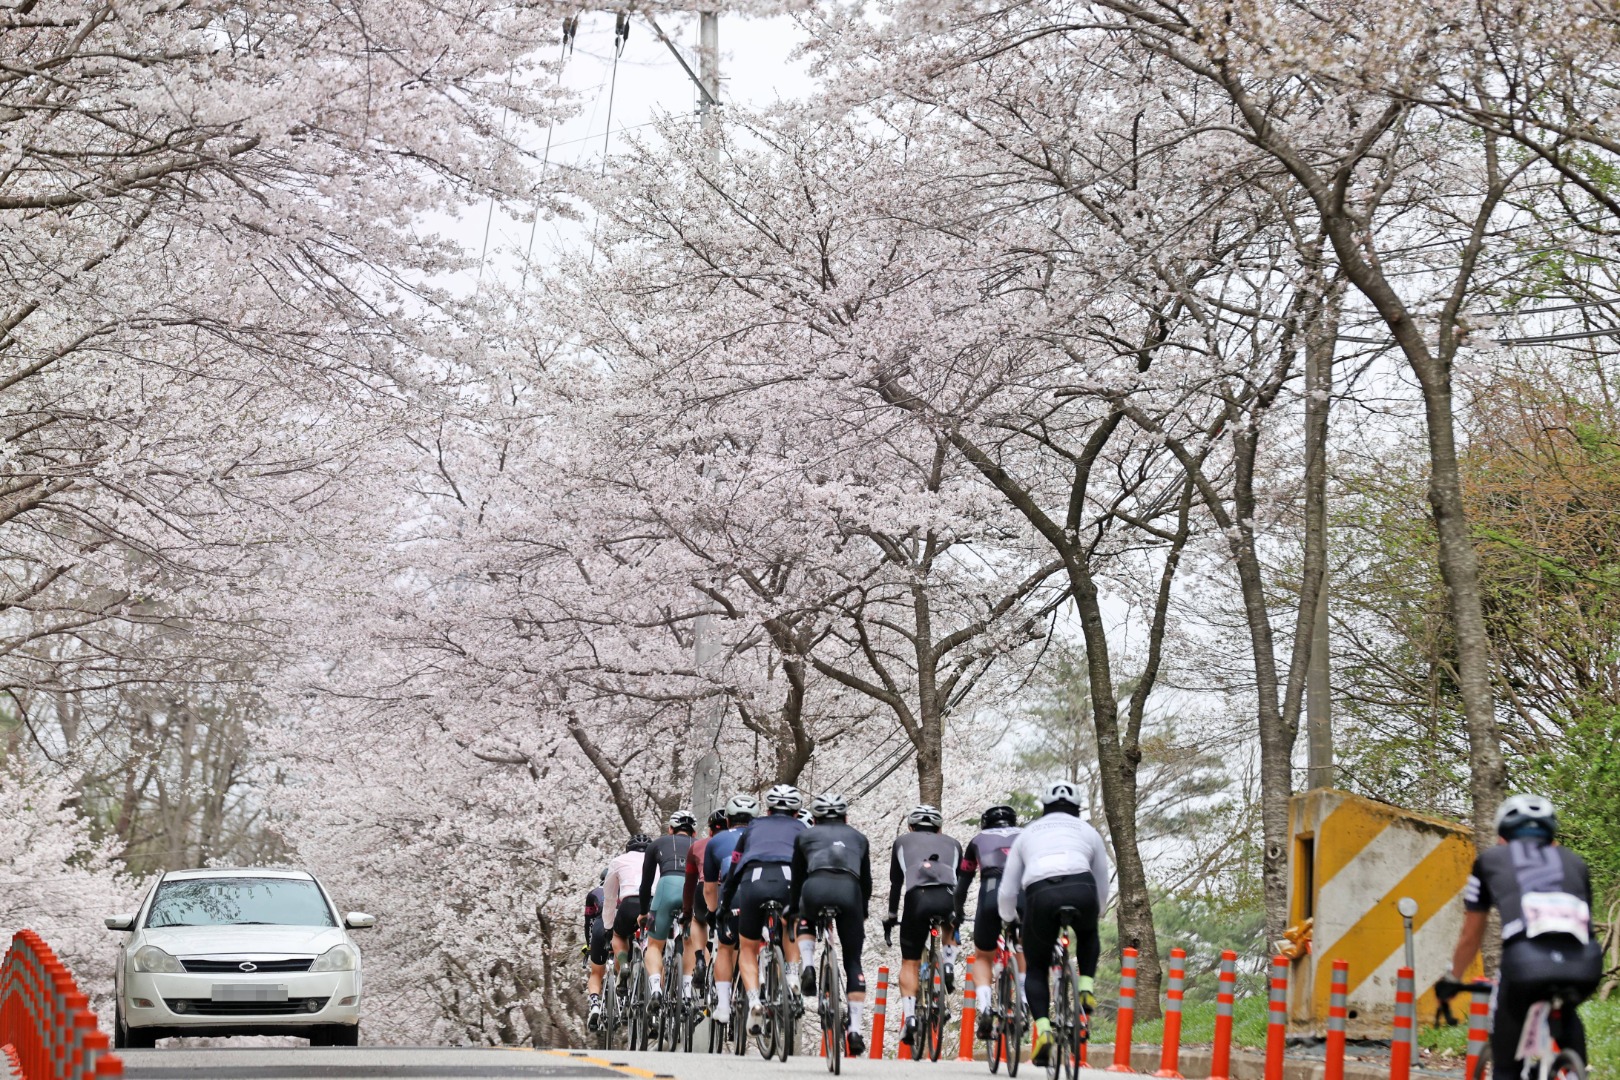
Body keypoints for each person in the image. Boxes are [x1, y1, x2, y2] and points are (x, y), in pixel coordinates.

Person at [1438, 795, 1602, 1079]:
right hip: (1585, 963)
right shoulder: (1575, 862)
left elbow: (1471, 934)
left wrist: (1453, 979)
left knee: (1506, 1066)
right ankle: (1575, 1071)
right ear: (1551, 833)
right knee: (1567, 1007)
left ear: (1503, 833)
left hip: (1526, 962)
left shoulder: (1490, 860)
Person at [999, 782, 1110, 1067]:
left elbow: (1008, 889)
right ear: (1077, 809)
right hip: (1081, 886)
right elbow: (1101, 878)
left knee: (1036, 967)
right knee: (1087, 935)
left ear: (1045, 807)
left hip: (1041, 893)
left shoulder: (1027, 834)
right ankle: (1085, 986)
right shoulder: (1088, 831)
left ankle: (1044, 1031)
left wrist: (1009, 918)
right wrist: (1095, 913)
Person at [791, 792, 873, 1057]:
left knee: (804, 916)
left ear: (814, 819)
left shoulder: (804, 836)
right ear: (846, 817)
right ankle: (856, 1030)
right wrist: (863, 910)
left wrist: (794, 908)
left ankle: (809, 965)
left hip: (815, 888)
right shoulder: (859, 838)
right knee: (853, 961)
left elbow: (798, 876)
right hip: (850, 893)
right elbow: (866, 882)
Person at [720, 783, 807, 1035]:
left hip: (754, 879)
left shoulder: (754, 827)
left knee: (747, 947)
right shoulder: (802, 828)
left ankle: (755, 1000)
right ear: (796, 813)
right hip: (789, 879)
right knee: (790, 924)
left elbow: (735, 866)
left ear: (767, 811)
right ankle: (791, 974)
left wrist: (725, 903)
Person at [882, 803, 962, 1050]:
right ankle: (947, 966)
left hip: (917, 899)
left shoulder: (902, 842)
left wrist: (892, 915)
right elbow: (958, 881)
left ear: (910, 826)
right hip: (949, 897)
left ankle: (910, 1017)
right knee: (949, 927)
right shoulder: (955, 843)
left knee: (910, 962)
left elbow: (896, 884)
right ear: (939, 829)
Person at [956, 804, 1024, 1040]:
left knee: (984, 955)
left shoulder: (977, 840)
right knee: (1023, 946)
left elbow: (963, 882)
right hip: (1022, 893)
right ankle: (1023, 1001)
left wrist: (957, 912)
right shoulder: (1026, 836)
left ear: (985, 823)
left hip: (991, 893)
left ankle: (985, 1007)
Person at [703, 793, 758, 1025]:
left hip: (733, 895)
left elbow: (708, 888)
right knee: (757, 944)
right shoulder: (762, 836)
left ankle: (723, 1007)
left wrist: (716, 913)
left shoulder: (715, 841)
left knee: (725, 947)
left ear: (727, 821)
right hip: (761, 891)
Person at [639, 810, 696, 1008]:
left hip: (666, 888)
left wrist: (643, 911)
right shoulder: (700, 844)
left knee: (654, 944)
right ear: (694, 833)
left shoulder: (657, 844)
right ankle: (687, 990)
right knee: (691, 943)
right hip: (694, 889)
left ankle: (656, 987)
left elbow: (645, 885)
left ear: (670, 829)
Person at [680, 808, 729, 1001]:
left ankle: (700, 958)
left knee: (697, 921)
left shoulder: (697, 846)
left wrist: (686, 911)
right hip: (728, 890)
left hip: (703, 890)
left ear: (710, 831)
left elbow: (689, 883)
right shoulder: (740, 841)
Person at [602, 834, 653, 997]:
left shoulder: (618, 861)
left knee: (619, 935)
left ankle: (624, 965)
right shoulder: (658, 858)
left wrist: (608, 926)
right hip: (654, 904)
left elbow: (609, 897)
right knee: (658, 943)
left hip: (629, 904)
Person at [584, 870, 611, 1031]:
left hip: (601, 928)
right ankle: (623, 998)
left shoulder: (594, 893)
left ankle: (595, 1004)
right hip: (621, 925)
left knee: (596, 972)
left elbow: (589, 923)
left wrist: (589, 945)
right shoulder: (627, 889)